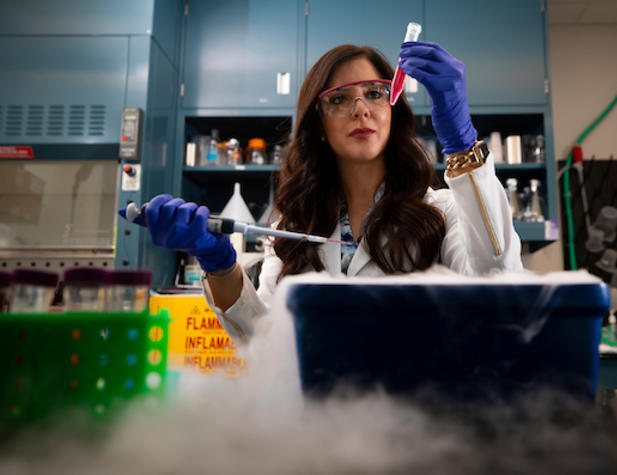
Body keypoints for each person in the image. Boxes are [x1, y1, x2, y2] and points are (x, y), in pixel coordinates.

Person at [127, 42, 523, 341]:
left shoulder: (442, 211)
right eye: (338, 99)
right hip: (320, 429)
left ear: (393, 109)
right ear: (318, 124)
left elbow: (500, 287)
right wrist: (217, 263)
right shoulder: (295, 225)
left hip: (421, 427)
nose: (360, 109)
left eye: (374, 93)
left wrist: (462, 144)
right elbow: (262, 339)